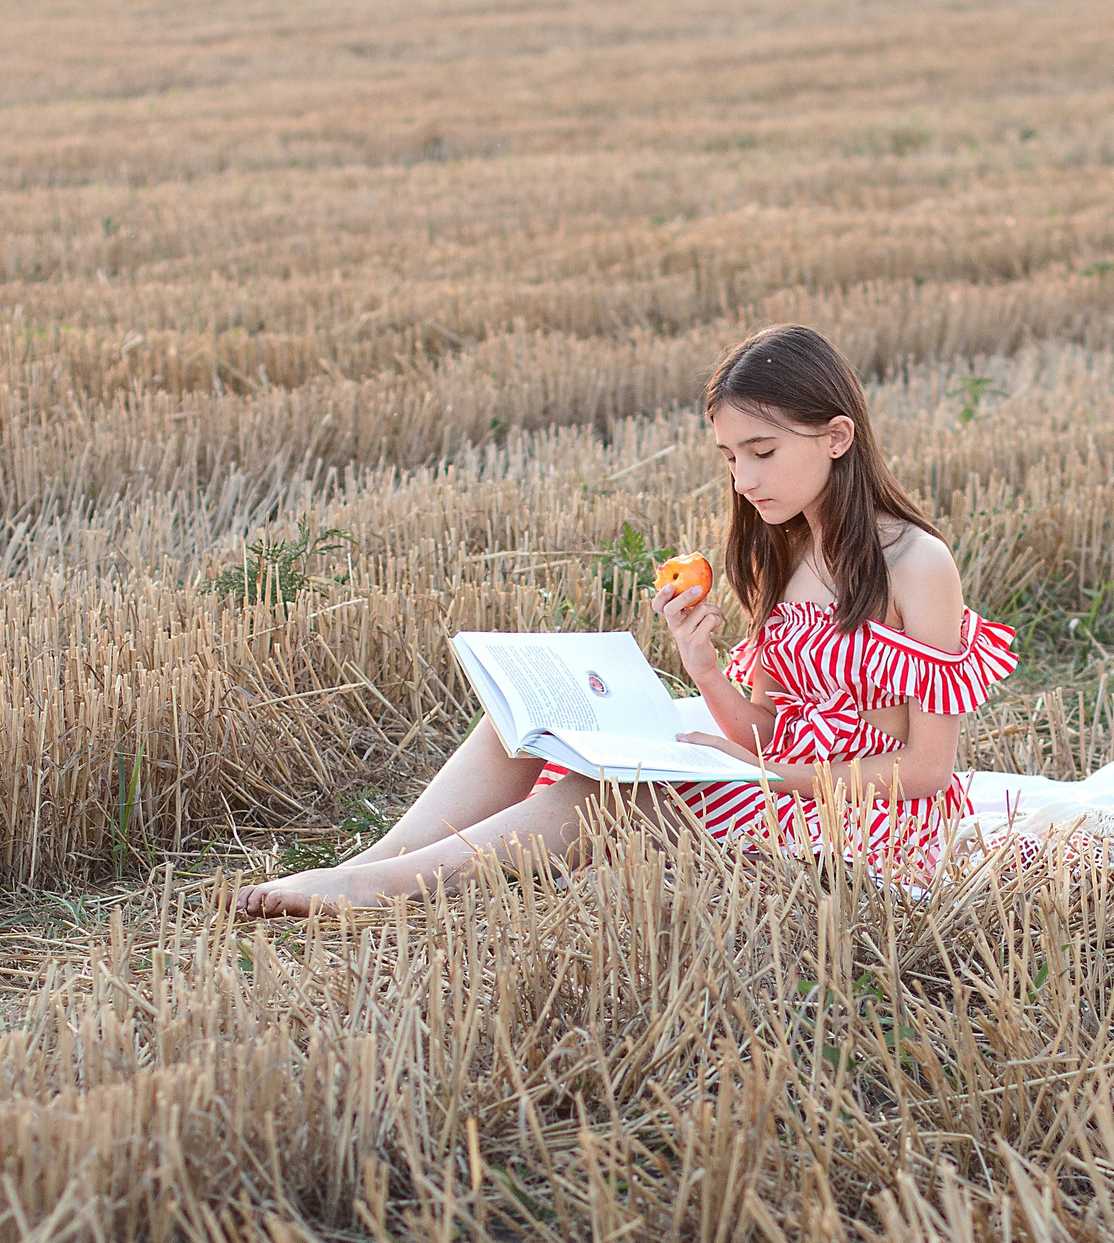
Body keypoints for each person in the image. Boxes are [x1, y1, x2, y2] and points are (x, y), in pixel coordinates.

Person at [235, 324, 1018, 915]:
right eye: (728, 456)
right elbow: (765, 727)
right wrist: (702, 665)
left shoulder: (916, 563)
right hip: (773, 777)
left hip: (864, 817)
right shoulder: (784, 551)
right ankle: (369, 862)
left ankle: (377, 888)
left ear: (838, 436)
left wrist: (768, 775)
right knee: (522, 724)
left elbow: (928, 770)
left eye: (762, 451)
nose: (743, 478)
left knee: (620, 792)